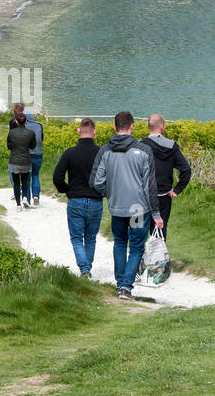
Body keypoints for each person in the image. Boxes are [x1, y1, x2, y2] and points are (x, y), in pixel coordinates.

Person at [89, 111, 163, 301]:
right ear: (132, 126)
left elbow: (96, 182)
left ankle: (120, 281)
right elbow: (150, 186)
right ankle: (126, 287)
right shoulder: (144, 151)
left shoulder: (105, 151)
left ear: (114, 127)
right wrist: (156, 214)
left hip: (117, 207)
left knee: (120, 242)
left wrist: (110, 192)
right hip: (138, 209)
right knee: (137, 246)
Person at [52, 118, 103, 276]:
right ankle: (87, 267)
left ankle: (85, 268)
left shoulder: (70, 153)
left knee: (76, 237)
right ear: (94, 132)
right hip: (95, 200)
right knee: (91, 237)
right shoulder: (102, 153)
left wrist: (66, 190)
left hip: (76, 200)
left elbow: (57, 177)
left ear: (78, 131)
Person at [141, 114, 191, 240]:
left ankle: (140, 257)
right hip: (164, 195)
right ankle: (160, 257)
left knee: (140, 230)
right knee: (160, 228)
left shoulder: (140, 146)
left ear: (149, 127)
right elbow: (186, 169)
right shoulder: (171, 146)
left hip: (143, 194)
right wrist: (177, 189)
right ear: (162, 127)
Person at [7, 110, 36, 211]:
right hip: (26, 160)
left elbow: (8, 146)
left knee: (16, 182)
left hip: (14, 160)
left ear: (16, 122)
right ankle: (25, 197)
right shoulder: (31, 133)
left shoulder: (11, 133)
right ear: (26, 122)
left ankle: (18, 205)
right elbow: (33, 146)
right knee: (25, 180)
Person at [22, 109, 44, 206]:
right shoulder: (39, 125)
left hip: (26, 155)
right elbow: (42, 138)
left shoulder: (23, 126)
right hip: (38, 154)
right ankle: (36, 196)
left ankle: (26, 198)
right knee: (35, 175)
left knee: (26, 177)